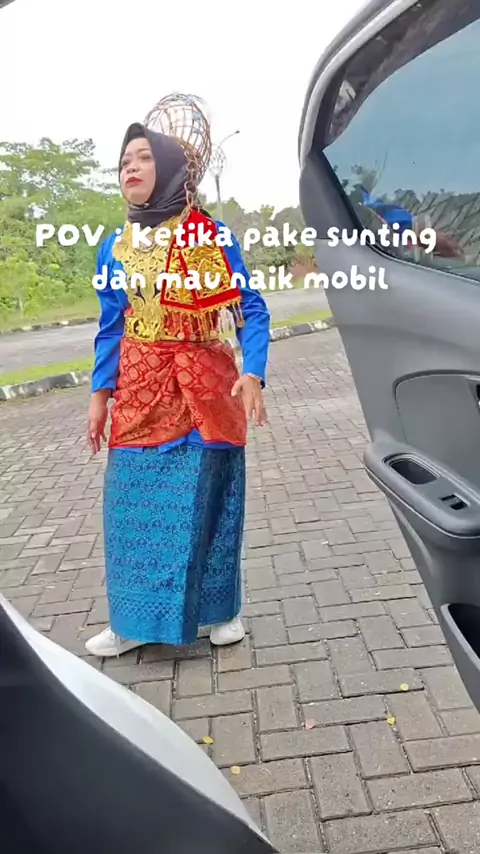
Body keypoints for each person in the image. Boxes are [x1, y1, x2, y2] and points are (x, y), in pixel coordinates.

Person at [84, 118, 270, 658]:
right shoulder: (114, 247)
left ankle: (221, 612)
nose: (131, 168)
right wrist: (100, 395)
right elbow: (111, 326)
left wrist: (253, 371)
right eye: (124, 162)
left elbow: (249, 308)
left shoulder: (208, 238)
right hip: (141, 390)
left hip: (205, 390)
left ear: (167, 169)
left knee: (208, 502)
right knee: (132, 506)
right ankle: (131, 621)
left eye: (143, 157)